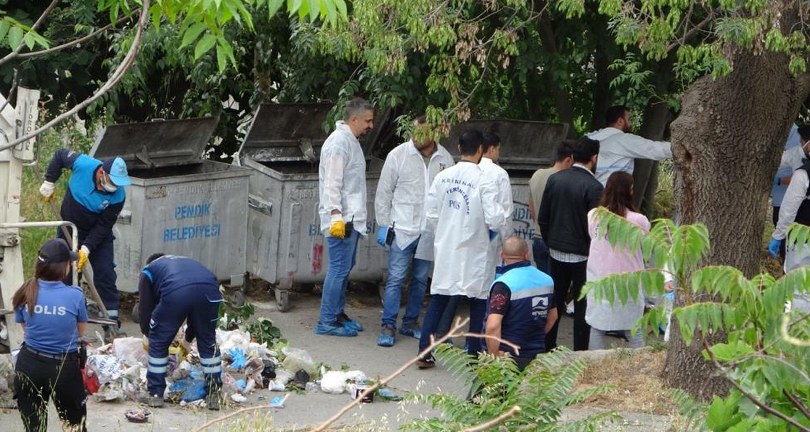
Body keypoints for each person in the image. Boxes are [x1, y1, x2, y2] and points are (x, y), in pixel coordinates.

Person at [417, 129, 507, 368]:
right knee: (478, 299)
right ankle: (473, 353)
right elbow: (496, 219)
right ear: (480, 150)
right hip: (475, 250)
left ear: (458, 148)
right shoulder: (484, 180)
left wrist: (446, 232)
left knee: (439, 297)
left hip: (447, 247)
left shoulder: (443, 177)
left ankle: (424, 352)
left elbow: (432, 215)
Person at [374, 115, 454, 347]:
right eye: (414, 132)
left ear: (434, 133)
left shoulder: (445, 159)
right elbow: (384, 193)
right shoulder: (398, 155)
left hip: (429, 231)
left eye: (422, 133)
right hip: (402, 228)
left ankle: (410, 322)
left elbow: (447, 197)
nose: (416, 137)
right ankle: (388, 325)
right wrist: (384, 224)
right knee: (396, 278)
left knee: (420, 280)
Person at [40, 149, 131, 333]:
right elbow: (59, 155)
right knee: (66, 273)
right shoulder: (83, 164)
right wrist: (50, 181)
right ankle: (65, 319)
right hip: (69, 228)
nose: (115, 186)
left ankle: (111, 323)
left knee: (105, 273)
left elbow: (104, 226)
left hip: (98, 236)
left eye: (118, 183)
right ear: (101, 173)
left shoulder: (118, 196)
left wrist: (87, 248)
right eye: (113, 181)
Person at [13, 238, 88, 432]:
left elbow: (25, 328)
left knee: (34, 427)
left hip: (28, 365)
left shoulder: (24, 291)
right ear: (64, 268)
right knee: (74, 426)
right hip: (63, 369)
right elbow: (80, 332)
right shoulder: (75, 295)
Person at [315, 97, 375, 337]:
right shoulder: (339, 144)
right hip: (342, 219)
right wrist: (336, 215)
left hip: (350, 217)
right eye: (368, 121)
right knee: (339, 269)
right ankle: (326, 320)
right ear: (354, 119)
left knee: (344, 267)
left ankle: (337, 315)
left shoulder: (350, 141)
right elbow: (332, 183)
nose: (371, 125)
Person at [538, 136, 603, 351]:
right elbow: (596, 227)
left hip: (556, 250)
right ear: (593, 158)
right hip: (584, 254)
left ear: (573, 157)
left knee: (554, 302)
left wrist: (550, 242)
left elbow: (543, 217)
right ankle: (579, 352)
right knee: (583, 306)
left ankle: (548, 348)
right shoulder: (594, 187)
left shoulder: (555, 179)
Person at [137, 254, 224, 410]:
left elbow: (145, 308)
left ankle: (155, 394)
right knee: (208, 342)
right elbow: (196, 312)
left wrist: (148, 334)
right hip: (210, 289)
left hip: (176, 293)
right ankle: (214, 394)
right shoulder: (184, 262)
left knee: (158, 341)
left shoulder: (149, 270)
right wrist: (187, 341)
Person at [585, 172, 650, 350]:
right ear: (629, 191)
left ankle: (594, 366)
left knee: (597, 327)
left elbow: (593, 237)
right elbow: (646, 246)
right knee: (633, 327)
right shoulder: (638, 220)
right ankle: (641, 366)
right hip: (629, 280)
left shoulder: (594, 215)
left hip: (599, 278)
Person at [484, 236, 556, 370]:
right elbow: (553, 317)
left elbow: (493, 325)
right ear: (527, 254)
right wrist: (534, 337)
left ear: (502, 255)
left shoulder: (503, 285)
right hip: (535, 354)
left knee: (483, 391)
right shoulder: (547, 280)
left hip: (507, 356)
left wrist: (493, 355)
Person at [768, 124, 810, 313]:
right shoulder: (799, 164)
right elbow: (780, 160)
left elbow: (789, 208)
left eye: (803, 142)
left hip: (802, 235)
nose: (802, 146)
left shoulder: (803, 174)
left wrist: (778, 235)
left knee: (799, 283)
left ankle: (798, 329)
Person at [587, 105, 671, 185]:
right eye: (629, 119)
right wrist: (680, 147)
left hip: (588, 193)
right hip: (612, 196)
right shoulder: (624, 140)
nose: (631, 124)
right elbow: (654, 149)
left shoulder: (590, 137)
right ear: (620, 121)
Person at [528, 141, 574, 273]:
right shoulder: (564, 180)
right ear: (568, 160)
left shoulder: (537, 174)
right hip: (556, 241)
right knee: (556, 285)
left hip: (537, 237)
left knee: (543, 283)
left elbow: (531, 209)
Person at [770, 124, 803, 258]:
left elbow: (792, 203)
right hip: (780, 201)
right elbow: (784, 158)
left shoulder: (795, 134)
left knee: (794, 248)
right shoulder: (796, 153)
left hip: (796, 206)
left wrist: (778, 181)